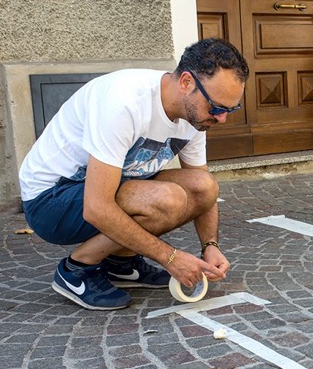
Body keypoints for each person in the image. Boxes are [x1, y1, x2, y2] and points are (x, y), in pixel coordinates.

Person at [18, 38, 250, 310]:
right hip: (50, 201)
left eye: (230, 110)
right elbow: (96, 207)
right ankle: (77, 269)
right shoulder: (124, 102)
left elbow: (202, 188)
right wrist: (170, 257)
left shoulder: (195, 115)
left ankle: (121, 263)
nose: (221, 118)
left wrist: (210, 245)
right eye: (218, 108)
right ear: (186, 83)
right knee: (166, 199)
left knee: (204, 186)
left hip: (112, 189)